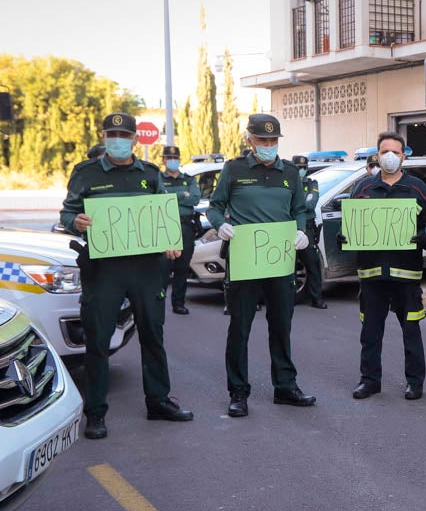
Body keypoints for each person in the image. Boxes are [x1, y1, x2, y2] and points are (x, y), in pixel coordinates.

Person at [61, 112, 193, 440]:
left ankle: (158, 401)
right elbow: (67, 211)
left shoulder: (149, 174)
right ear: (103, 136)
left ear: (134, 140)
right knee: (98, 339)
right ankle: (95, 413)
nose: (117, 140)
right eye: (111, 134)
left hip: (147, 268)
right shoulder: (85, 173)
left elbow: (164, 214)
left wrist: (170, 244)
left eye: (123, 135)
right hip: (105, 269)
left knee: (152, 334)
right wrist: (74, 222)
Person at [207, 114, 317, 418]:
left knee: (281, 325)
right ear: (249, 140)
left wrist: (301, 231)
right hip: (244, 261)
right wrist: (220, 226)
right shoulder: (234, 169)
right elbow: (215, 207)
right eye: (262, 140)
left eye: (273, 141)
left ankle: (285, 386)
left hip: (280, 259)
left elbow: (299, 209)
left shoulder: (290, 173)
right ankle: (238, 392)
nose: (268, 146)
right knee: (240, 327)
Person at [345, 132, 426, 401]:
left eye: (396, 152)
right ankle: (369, 381)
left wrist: (425, 235)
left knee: (411, 332)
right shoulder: (362, 190)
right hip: (371, 276)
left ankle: (415, 383)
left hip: (406, 277)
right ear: (378, 155)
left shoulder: (418, 189)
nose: (390, 157)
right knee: (370, 333)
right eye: (385, 151)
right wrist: (346, 237)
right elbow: (353, 228)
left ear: (404, 156)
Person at [159, 145, 200, 315]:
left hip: (185, 227)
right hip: (165, 226)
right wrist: (182, 195)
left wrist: (172, 196)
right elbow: (160, 199)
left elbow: (196, 199)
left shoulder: (189, 179)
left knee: (182, 268)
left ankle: (178, 303)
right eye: (169, 158)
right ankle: (158, 302)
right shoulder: (159, 179)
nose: (172, 161)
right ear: (163, 160)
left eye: (175, 158)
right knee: (162, 268)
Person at [292, 154, 326, 309]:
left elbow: (311, 203)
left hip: (307, 228)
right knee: (288, 266)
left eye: (304, 167)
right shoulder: (287, 184)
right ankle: (289, 298)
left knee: (312, 263)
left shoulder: (312, 183)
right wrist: (302, 202)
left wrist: (295, 205)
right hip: (289, 227)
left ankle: (316, 298)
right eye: (299, 168)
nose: (302, 170)